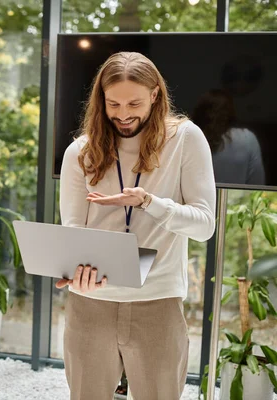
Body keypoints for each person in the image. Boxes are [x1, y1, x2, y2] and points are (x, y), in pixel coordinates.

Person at [57, 51, 216, 400]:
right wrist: (73, 268)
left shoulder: (186, 139)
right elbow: (72, 232)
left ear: (156, 95)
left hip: (157, 301)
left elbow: (205, 225)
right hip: (90, 302)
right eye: (113, 103)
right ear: (101, 99)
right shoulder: (79, 152)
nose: (124, 114)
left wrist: (148, 202)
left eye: (134, 103)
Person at [192, 88, 265, 186]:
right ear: (231, 112)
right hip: (237, 201)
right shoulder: (247, 139)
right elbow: (258, 184)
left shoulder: (190, 137)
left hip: (196, 201)